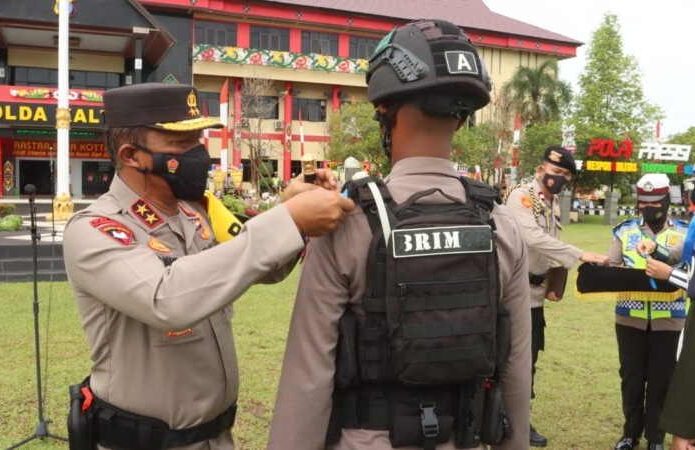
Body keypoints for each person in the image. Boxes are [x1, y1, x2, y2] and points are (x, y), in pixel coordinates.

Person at [267, 19, 532, 449]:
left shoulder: (346, 225)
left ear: (384, 109)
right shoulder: (501, 226)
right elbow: (516, 369)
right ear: (462, 115)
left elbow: (308, 378)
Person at [62, 82, 355, 450]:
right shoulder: (96, 229)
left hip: (217, 439)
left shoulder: (194, 211)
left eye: (200, 140)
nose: (199, 154)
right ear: (132, 155)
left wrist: (288, 208)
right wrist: (288, 220)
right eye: (182, 145)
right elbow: (167, 299)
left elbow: (261, 266)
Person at [504, 145, 610, 447]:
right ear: (540, 170)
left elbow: (549, 245)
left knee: (529, 362)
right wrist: (579, 254)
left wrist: (555, 280)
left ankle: (521, 419)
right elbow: (530, 237)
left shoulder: (550, 204)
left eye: (564, 175)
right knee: (510, 362)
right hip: (513, 296)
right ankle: (504, 420)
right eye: (554, 172)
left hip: (535, 295)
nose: (558, 178)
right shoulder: (521, 197)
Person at [607, 173, 688, 450]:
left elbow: (687, 270)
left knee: (661, 380)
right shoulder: (624, 230)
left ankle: (656, 438)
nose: (649, 207)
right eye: (643, 202)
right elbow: (612, 266)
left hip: (670, 320)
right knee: (631, 377)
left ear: (666, 201)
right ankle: (630, 434)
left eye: (655, 202)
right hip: (629, 318)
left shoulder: (685, 232)